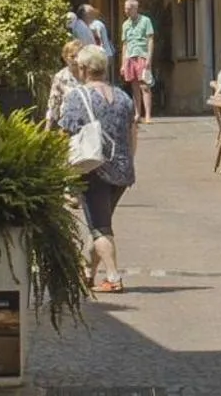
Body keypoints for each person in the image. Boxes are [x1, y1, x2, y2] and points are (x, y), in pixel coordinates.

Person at [57, 45, 136, 294]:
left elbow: (65, 131)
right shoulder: (123, 97)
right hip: (122, 170)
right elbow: (132, 132)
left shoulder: (78, 97)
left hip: (94, 168)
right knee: (100, 222)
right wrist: (127, 160)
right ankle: (88, 274)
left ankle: (113, 277)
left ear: (83, 68)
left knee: (100, 227)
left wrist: (60, 167)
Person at [119, 0, 156, 123]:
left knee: (145, 85)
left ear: (135, 8)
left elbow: (150, 39)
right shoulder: (125, 24)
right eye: (125, 8)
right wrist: (123, 63)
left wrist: (149, 58)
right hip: (130, 56)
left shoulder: (145, 21)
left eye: (128, 8)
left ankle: (148, 115)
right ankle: (137, 113)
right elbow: (124, 44)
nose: (126, 11)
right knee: (134, 87)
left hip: (142, 55)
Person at [44, 39, 85, 129]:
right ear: (65, 57)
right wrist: (46, 131)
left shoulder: (88, 75)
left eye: (78, 56)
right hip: (68, 125)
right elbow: (54, 104)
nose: (76, 60)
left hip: (88, 125)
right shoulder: (60, 77)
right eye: (72, 56)